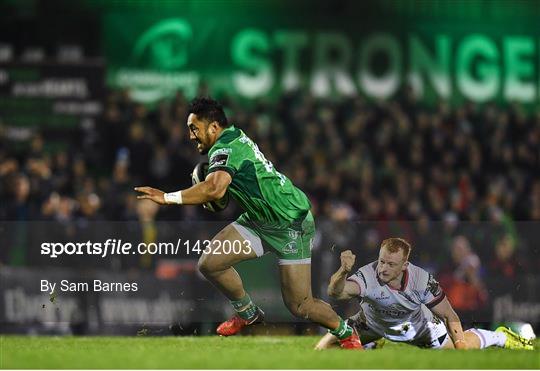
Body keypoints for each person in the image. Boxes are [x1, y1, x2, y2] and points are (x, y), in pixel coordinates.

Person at [135, 97, 361, 349]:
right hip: (258, 219)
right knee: (210, 263)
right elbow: (218, 188)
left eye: (194, 128)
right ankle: (247, 312)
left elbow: (214, 190)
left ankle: (346, 332)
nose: (191, 135)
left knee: (300, 305)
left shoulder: (226, 147)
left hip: (290, 223)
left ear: (213, 127)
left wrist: (167, 198)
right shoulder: (230, 139)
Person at [315, 237, 533, 350]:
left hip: (418, 329)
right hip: (372, 323)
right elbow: (337, 292)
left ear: (404, 266)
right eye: (381, 261)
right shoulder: (368, 275)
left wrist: (461, 350)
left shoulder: (422, 281)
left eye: (391, 264)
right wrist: (343, 271)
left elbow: (450, 315)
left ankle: (500, 336)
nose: (383, 268)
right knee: (322, 350)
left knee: (459, 346)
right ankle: (373, 341)